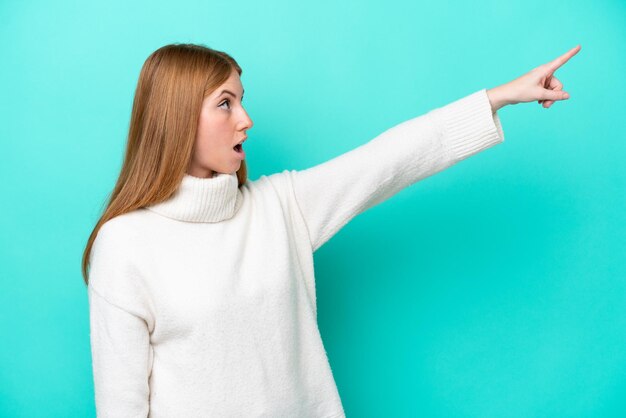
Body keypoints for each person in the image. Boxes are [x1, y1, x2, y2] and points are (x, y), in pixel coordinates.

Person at [82, 43, 580, 417]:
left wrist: (501, 96)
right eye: (225, 103)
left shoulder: (280, 206)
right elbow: (122, 406)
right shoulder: (125, 245)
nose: (246, 120)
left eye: (242, 100)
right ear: (176, 119)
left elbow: (390, 159)